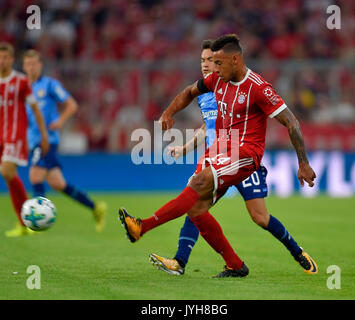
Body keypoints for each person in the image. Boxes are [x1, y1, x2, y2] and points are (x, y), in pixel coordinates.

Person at [119, 34, 317, 278]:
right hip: (221, 151)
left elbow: (292, 122)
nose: (212, 67)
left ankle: (143, 226)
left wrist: (303, 163)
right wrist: (168, 113)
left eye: (217, 62)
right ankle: (232, 264)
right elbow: (189, 93)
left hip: (245, 154)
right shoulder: (215, 82)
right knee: (196, 208)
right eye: (207, 61)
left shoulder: (258, 88)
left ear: (235, 60)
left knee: (259, 216)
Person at [22, 49, 107, 232]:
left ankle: (37, 220)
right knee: (57, 183)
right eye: (27, 64)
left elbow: (72, 105)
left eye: (34, 64)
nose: (31, 67)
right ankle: (95, 207)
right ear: (23, 66)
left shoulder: (50, 85)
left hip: (47, 140)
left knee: (35, 175)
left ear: (40, 65)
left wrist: (60, 121)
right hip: (32, 140)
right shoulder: (23, 87)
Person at [0, 43, 49, 237]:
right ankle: (24, 223)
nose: (2, 61)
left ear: (12, 60)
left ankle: (29, 217)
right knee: (8, 175)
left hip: (15, 135)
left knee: (6, 170)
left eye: (5, 57)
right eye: (0, 57)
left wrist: (44, 135)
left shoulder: (21, 82)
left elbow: (35, 110)